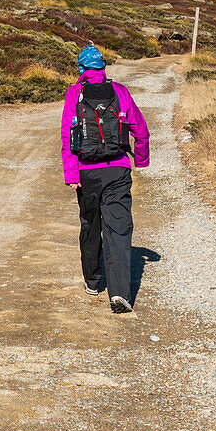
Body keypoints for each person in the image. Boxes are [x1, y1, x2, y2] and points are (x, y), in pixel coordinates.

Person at [60, 45, 150, 313]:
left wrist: (71, 174)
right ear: (102, 68)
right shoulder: (120, 92)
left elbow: (68, 137)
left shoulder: (74, 94)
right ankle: (120, 293)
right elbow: (141, 130)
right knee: (119, 230)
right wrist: (141, 160)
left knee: (91, 225)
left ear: (81, 69)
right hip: (118, 170)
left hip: (87, 173)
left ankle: (92, 279)